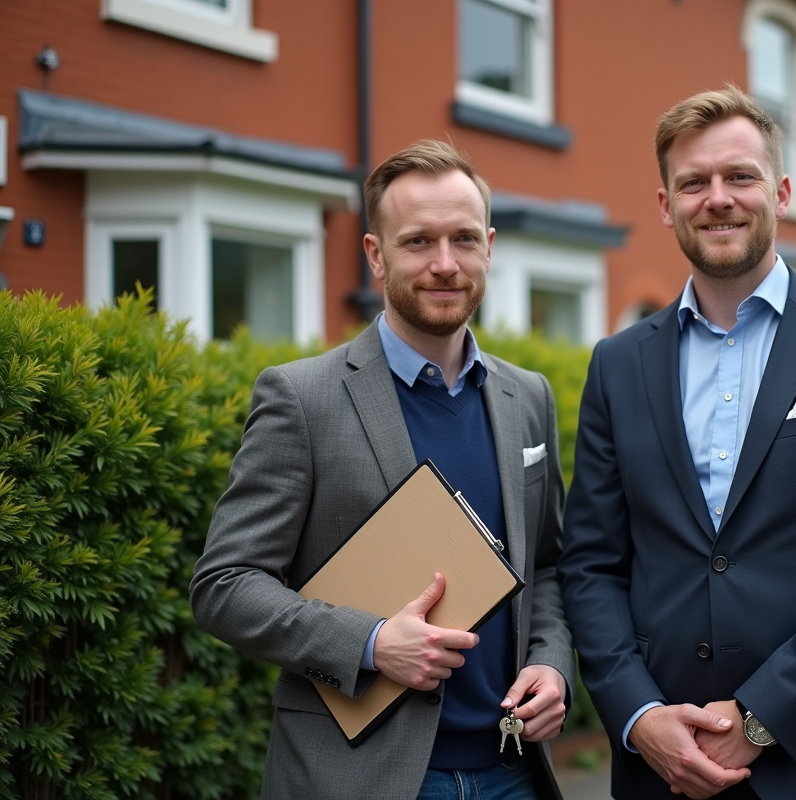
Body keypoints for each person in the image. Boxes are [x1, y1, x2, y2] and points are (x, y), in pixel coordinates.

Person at [559, 86, 796, 800]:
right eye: (693, 183)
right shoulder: (617, 364)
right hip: (661, 771)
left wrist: (762, 716)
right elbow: (592, 564)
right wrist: (638, 715)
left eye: (740, 176)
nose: (718, 199)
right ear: (666, 205)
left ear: (782, 192)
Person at [191, 139, 573, 800]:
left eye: (463, 239)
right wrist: (369, 642)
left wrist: (553, 663)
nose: (445, 264)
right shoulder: (301, 397)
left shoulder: (528, 397)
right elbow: (224, 584)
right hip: (360, 777)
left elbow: (549, 567)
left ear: (488, 247)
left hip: (513, 771)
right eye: (418, 241)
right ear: (376, 255)